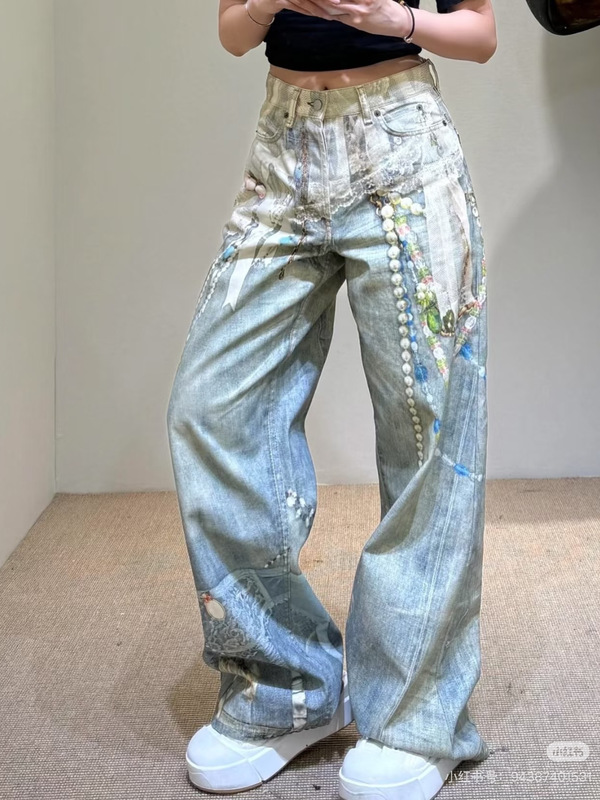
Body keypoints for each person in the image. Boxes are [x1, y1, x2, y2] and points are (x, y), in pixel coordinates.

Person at [166, 0, 497, 797]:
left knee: (427, 432)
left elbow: (481, 35)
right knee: (211, 409)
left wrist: (392, 18)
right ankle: (285, 686)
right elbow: (233, 31)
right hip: (283, 150)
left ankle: (416, 717)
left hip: (404, 145)